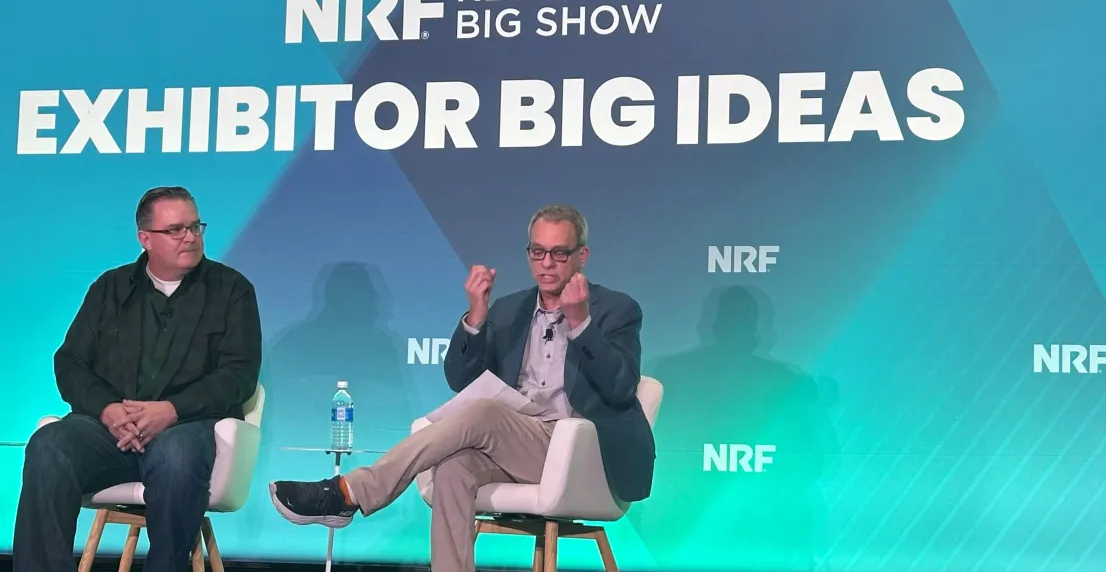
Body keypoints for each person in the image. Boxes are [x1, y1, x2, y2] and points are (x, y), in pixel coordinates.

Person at [270, 204, 655, 572]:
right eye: (538, 252)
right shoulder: (510, 310)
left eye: (559, 253)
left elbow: (621, 388)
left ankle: (350, 492)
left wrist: (581, 323)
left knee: (484, 413)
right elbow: (460, 379)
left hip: (579, 452)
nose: (547, 264)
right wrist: (476, 316)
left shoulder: (616, 310)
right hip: (518, 441)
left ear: (581, 256)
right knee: (453, 469)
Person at [14, 186, 263, 572]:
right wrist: (108, 410)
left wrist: (171, 410)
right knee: (49, 446)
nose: (191, 237)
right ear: (145, 239)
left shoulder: (231, 291)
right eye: (176, 229)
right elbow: (70, 362)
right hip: (109, 430)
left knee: (176, 456)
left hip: (185, 426)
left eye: (196, 227)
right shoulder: (110, 289)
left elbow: (239, 376)